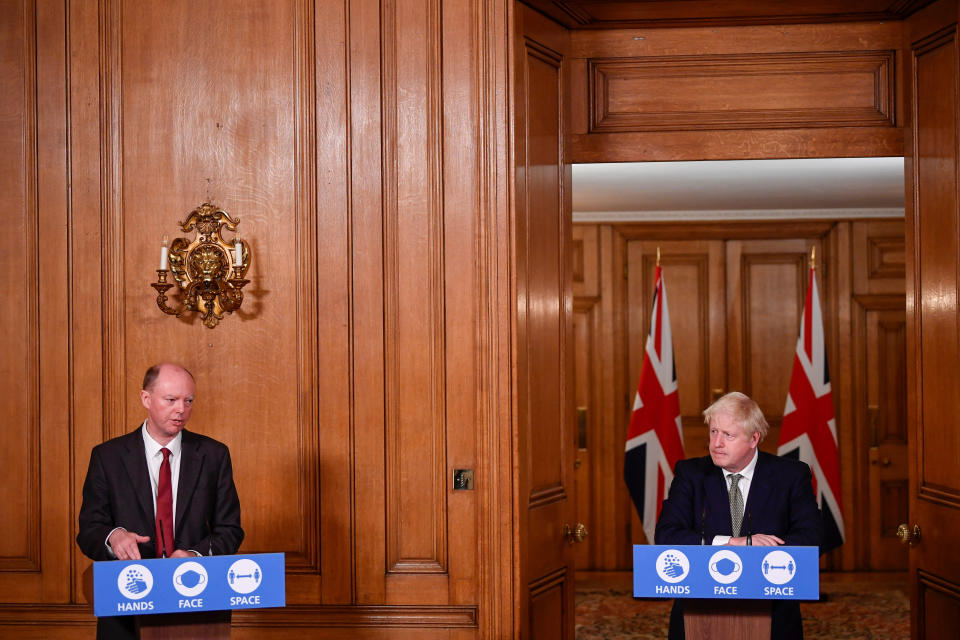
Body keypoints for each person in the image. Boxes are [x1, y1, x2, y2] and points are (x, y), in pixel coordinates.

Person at [77, 363, 244, 639]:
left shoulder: (214, 455)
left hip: (196, 606)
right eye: (171, 400)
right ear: (146, 399)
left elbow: (231, 530)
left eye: (188, 401)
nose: (181, 409)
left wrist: (195, 556)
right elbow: (89, 529)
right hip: (126, 606)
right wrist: (114, 537)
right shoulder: (107, 457)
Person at [654, 392, 821, 640]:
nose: (716, 443)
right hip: (699, 613)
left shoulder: (791, 475)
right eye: (713, 432)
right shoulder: (690, 474)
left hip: (772, 611)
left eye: (728, 435)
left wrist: (761, 554)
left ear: (754, 439)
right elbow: (666, 536)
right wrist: (731, 543)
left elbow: (811, 538)